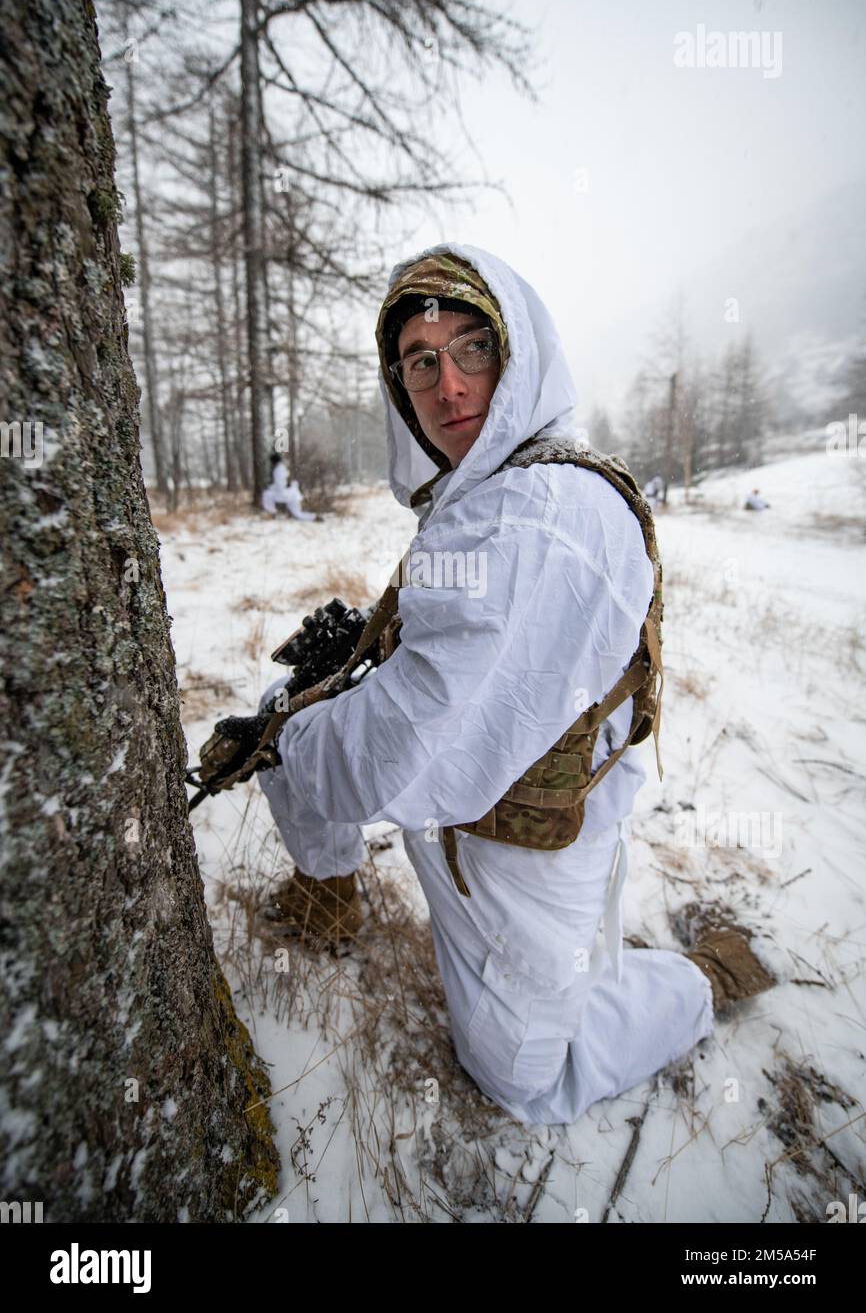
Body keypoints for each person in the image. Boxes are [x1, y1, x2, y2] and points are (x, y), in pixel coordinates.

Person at [254, 243, 775, 1127]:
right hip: (464, 825)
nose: (449, 386)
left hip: (525, 857)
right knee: (297, 709)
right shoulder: (492, 487)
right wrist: (316, 702)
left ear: (518, 351)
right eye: (421, 362)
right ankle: (326, 893)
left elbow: (407, 747)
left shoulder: (536, 514)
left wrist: (284, 740)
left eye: (473, 348)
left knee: (524, 1078)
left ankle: (700, 977)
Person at [261, 453, 319, 520]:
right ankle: (314, 517)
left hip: (286, 493)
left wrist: (270, 487)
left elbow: (280, 485)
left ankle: (271, 513)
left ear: (274, 461)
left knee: (267, 494)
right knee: (297, 514)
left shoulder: (279, 470)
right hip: (292, 493)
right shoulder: (283, 468)